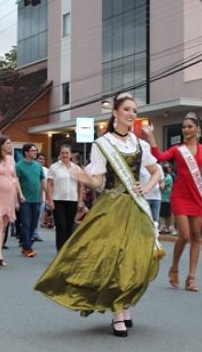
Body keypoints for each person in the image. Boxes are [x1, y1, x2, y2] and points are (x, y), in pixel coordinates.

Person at [34, 93, 163, 338]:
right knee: (115, 257)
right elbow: (98, 182)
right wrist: (84, 178)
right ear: (115, 113)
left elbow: (156, 171)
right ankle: (117, 311)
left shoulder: (140, 144)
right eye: (127, 109)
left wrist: (146, 187)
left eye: (134, 110)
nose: (131, 114)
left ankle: (124, 303)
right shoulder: (102, 144)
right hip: (112, 207)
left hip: (136, 207)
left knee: (137, 257)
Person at [144, 113, 202, 292]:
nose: (186, 129)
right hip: (180, 195)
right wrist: (151, 136)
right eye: (184, 127)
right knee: (184, 235)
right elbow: (160, 157)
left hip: (196, 195)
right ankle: (174, 267)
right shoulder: (177, 149)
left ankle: (191, 277)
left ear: (198, 129)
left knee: (196, 236)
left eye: (190, 126)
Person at [0, 136, 23, 267]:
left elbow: (14, 177)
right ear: (1, 145)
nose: (10, 145)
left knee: (4, 226)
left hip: (9, 196)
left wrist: (19, 195)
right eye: (8, 143)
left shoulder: (11, 159)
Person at [46, 144, 85, 251]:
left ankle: (66, 251)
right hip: (57, 200)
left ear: (70, 155)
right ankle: (60, 251)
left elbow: (81, 186)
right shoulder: (54, 167)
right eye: (62, 153)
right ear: (60, 154)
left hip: (72, 200)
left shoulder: (76, 168)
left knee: (69, 227)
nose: (64, 155)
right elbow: (49, 184)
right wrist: (50, 200)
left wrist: (80, 200)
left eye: (67, 153)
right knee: (61, 226)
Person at [16, 143, 46, 258]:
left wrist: (45, 195)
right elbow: (16, 182)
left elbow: (42, 181)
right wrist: (20, 195)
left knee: (33, 224)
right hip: (25, 200)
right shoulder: (19, 166)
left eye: (35, 150)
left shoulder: (38, 166)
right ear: (26, 152)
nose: (35, 153)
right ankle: (27, 248)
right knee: (27, 223)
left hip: (37, 199)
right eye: (33, 151)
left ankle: (25, 244)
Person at [158, 163, 174, 235]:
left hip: (167, 198)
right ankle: (165, 227)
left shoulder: (168, 178)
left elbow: (161, 186)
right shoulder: (165, 177)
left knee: (167, 215)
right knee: (162, 214)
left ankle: (170, 228)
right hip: (162, 198)